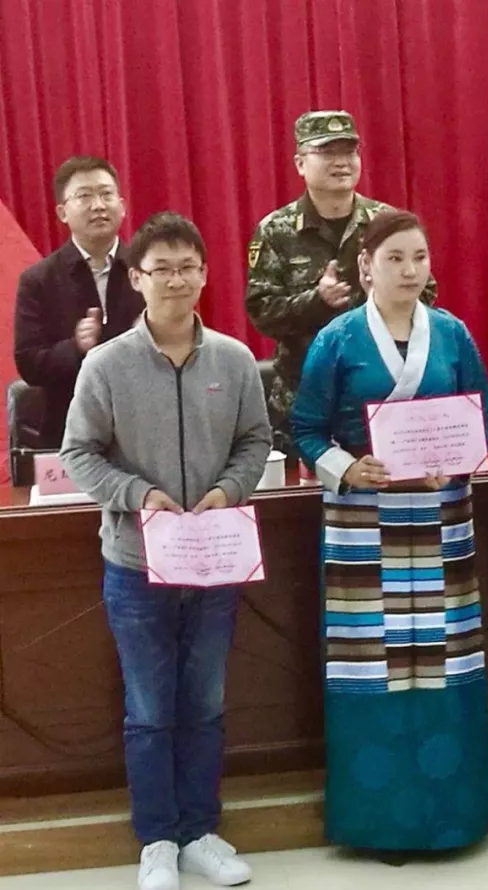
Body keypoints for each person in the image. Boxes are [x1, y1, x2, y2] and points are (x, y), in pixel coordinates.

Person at [59, 212, 272, 890]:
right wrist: (138, 494)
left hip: (213, 558)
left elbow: (256, 440)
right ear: (136, 279)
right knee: (150, 709)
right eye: (162, 270)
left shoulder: (234, 360)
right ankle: (156, 839)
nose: (176, 281)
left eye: (188, 268)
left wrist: (227, 489)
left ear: (205, 275)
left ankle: (201, 831)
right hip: (135, 563)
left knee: (205, 702)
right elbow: (78, 453)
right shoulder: (106, 364)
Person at [291, 210, 488, 851]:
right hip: (363, 521)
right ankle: (376, 821)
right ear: (366, 267)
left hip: (440, 516)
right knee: (370, 664)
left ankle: (453, 817)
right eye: (395, 259)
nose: (410, 271)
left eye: (419, 257)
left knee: (445, 658)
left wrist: (457, 459)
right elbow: (304, 429)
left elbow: (486, 414)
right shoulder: (336, 339)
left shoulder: (453, 333)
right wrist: (348, 467)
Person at [245, 110, 436, 447]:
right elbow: (261, 312)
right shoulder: (275, 230)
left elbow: (427, 293)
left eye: (349, 152)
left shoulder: (385, 222)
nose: (341, 162)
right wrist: (316, 302)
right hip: (302, 402)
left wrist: (382, 297)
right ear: (300, 163)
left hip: (381, 395)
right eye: (327, 152)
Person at [14, 156, 144, 448]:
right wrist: (75, 348)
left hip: (142, 429)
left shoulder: (148, 270)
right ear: (62, 212)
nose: (98, 205)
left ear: (122, 206)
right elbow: (28, 363)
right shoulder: (39, 280)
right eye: (84, 196)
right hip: (70, 431)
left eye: (106, 194)